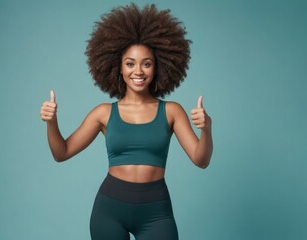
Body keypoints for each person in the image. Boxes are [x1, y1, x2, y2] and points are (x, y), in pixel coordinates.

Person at [40, 3, 213, 240]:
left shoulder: (172, 111)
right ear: (119, 68)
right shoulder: (103, 113)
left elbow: (200, 160)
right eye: (130, 63)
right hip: (109, 211)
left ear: (157, 67)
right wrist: (52, 122)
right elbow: (62, 153)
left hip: (156, 213)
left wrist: (206, 129)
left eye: (147, 63)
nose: (138, 71)